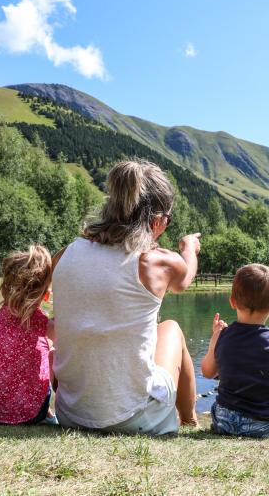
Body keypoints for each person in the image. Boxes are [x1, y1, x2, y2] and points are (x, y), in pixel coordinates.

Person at [51, 160, 200, 435]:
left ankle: (186, 418)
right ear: (157, 221)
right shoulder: (154, 262)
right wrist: (189, 247)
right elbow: (184, 281)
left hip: (71, 415)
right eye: (167, 219)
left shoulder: (65, 254)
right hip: (132, 418)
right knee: (172, 330)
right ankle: (190, 419)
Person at [201, 263, 269, 438]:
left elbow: (208, 372)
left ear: (232, 301)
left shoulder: (222, 335)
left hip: (223, 421)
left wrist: (214, 339)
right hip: (260, 426)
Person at [0, 245, 55, 425]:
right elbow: (68, 340)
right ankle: (47, 412)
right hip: (28, 413)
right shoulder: (41, 322)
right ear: (45, 295)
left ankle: (42, 409)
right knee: (52, 352)